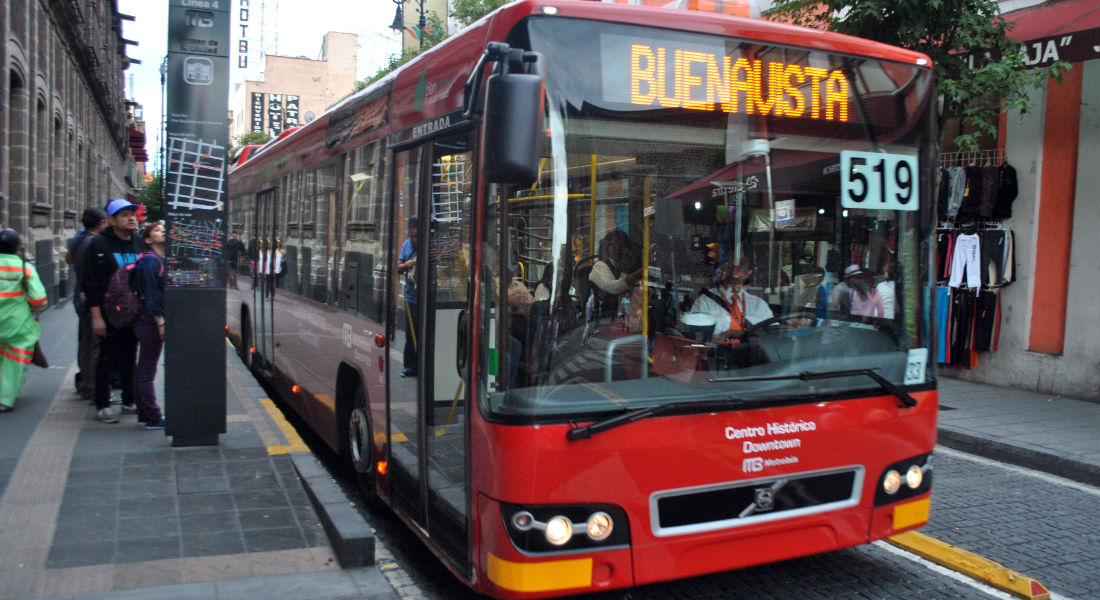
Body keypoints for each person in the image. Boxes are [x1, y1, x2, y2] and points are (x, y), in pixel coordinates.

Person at [83, 199, 144, 423]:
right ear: (111, 220)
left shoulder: (137, 242)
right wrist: (97, 316)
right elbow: (90, 283)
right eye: (124, 215)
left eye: (132, 214)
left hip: (132, 312)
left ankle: (129, 400)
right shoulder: (99, 244)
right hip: (109, 313)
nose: (131, 218)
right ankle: (103, 404)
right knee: (106, 358)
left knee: (130, 357)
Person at [0, 229, 48, 412]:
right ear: (18, 247)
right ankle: (5, 399)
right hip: (17, 325)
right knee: (14, 361)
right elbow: (39, 300)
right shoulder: (24, 269)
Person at [68, 207, 109, 400]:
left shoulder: (78, 238)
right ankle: (93, 386)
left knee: (84, 341)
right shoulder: (94, 242)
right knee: (95, 343)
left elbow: (69, 258)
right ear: (102, 223)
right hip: (89, 296)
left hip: (79, 294)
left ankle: (85, 381)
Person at [690, 254, 773, 342]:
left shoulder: (758, 305)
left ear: (748, 272)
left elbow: (773, 336)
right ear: (721, 271)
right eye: (728, 266)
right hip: (718, 354)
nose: (734, 272)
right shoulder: (705, 302)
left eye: (740, 266)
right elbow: (698, 340)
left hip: (753, 354)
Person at [133, 222, 167, 429]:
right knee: (147, 370)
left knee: (144, 369)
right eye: (156, 229)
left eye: (163, 228)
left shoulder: (158, 259)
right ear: (147, 240)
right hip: (150, 322)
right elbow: (150, 295)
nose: (162, 230)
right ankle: (152, 416)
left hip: (149, 321)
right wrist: (160, 321)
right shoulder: (150, 261)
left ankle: (144, 414)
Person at [587, 230, 642, 320]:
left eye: (621, 245)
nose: (617, 249)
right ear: (606, 247)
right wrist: (641, 272)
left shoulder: (623, 267)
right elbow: (614, 287)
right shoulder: (599, 266)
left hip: (622, 318)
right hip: (603, 319)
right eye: (613, 245)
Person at [397, 219, 418, 377]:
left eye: (417, 236)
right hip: (411, 296)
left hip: (425, 297)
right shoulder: (406, 245)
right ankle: (409, 366)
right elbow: (398, 267)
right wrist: (408, 264)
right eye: (412, 236)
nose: (415, 239)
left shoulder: (429, 245)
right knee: (410, 334)